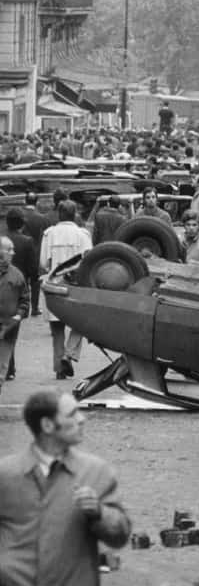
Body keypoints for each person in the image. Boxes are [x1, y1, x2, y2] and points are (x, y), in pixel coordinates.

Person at [0, 389, 131, 585]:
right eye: (71, 414)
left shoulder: (96, 472)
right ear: (47, 425)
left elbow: (119, 536)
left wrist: (99, 513)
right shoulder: (6, 475)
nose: (82, 419)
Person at [40, 200, 92, 379]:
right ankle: (68, 354)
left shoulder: (50, 234)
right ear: (75, 214)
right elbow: (89, 261)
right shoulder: (82, 234)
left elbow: (43, 263)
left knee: (57, 328)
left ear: (59, 214)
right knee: (81, 323)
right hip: (76, 287)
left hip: (54, 285)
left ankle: (59, 369)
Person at [0, 236, 29, 393]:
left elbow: (25, 301)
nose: (13, 252)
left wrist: (18, 315)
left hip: (8, 329)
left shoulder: (17, 275)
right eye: (9, 249)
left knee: (1, 371)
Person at [22, 192, 48, 315]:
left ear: (24, 201)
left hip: (20, 252)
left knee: (22, 281)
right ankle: (35, 308)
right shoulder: (41, 218)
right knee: (35, 282)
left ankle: (22, 307)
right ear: (36, 202)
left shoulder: (19, 215)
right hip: (36, 253)